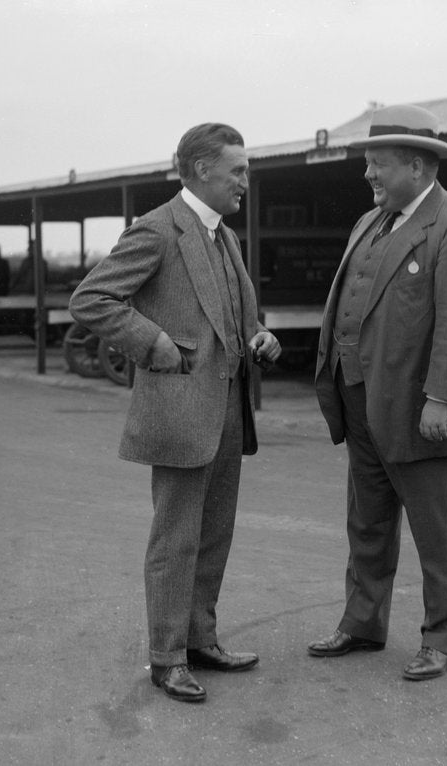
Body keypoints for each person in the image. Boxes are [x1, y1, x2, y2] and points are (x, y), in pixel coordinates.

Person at [69, 123, 281, 703]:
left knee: (214, 535)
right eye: (237, 170)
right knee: (176, 539)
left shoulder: (224, 238)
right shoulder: (158, 230)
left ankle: (200, 640)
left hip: (229, 410)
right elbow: (91, 299)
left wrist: (259, 336)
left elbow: (237, 318)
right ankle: (166, 658)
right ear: (200, 170)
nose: (246, 180)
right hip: (182, 409)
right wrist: (151, 341)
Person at [309, 104, 447, 682]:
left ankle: (441, 638)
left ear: (416, 167)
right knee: (366, 522)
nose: (367, 175)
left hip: (420, 411)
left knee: (436, 531)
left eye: (377, 164)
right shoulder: (370, 221)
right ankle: (362, 623)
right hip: (361, 400)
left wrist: (441, 398)